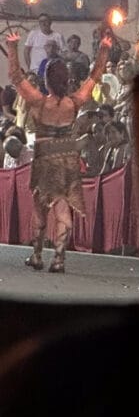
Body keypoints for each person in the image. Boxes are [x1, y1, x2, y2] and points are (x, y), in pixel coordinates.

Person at [6, 31, 111, 272]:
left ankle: (37, 255)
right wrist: (103, 50)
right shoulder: (74, 102)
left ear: (46, 79)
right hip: (67, 160)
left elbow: (14, 76)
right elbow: (95, 76)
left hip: (45, 160)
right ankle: (59, 258)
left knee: (40, 207)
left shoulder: (39, 101)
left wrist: (12, 48)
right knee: (63, 208)